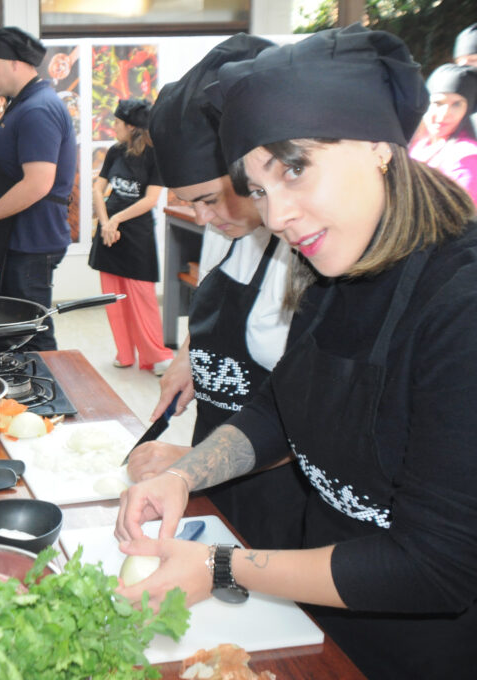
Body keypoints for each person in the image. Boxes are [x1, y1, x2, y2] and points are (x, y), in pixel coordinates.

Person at [115, 25, 477, 679]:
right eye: (257, 188)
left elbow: (436, 566)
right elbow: (283, 411)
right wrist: (184, 475)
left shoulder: (460, 304)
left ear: (378, 146)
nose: (277, 215)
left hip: (419, 655)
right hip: (315, 622)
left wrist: (221, 565)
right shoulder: (334, 271)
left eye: (294, 167)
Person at [129, 34, 309, 551]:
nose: (203, 218)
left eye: (209, 198)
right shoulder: (225, 226)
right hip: (217, 477)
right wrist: (191, 354)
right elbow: (217, 302)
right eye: (192, 203)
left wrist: (192, 466)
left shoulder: (313, 250)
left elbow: (320, 414)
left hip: (282, 499)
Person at [0, 27, 77, 351]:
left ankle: (49, 399)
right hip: (21, 237)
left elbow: (38, 182)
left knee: (33, 331)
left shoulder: (38, 109)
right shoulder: (23, 106)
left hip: (32, 238)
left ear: (16, 64)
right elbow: (18, 170)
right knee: (18, 327)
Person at [87, 98, 172, 376]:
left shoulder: (155, 155)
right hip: (110, 233)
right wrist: (104, 223)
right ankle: (124, 353)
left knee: (142, 298)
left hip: (136, 234)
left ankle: (155, 355)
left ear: (132, 127)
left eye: (117, 123)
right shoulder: (114, 152)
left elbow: (150, 200)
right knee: (114, 298)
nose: (113, 127)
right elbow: (98, 189)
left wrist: (115, 220)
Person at [408, 63, 477, 201]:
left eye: (457, 104)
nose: (444, 114)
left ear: (467, 110)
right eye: (437, 103)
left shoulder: (466, 158)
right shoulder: (420, 143)